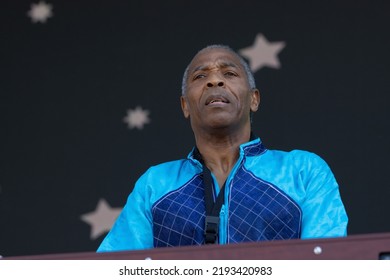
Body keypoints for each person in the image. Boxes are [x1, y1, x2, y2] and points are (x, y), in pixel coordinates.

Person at [97, 45, 348, 252]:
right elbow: (110, 271)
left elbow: (328, 264)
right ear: (185, 106)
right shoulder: (154, 185)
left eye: (229, 74)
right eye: (200, 76)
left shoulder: (304, 172)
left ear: (254, 99)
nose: (214, 80)